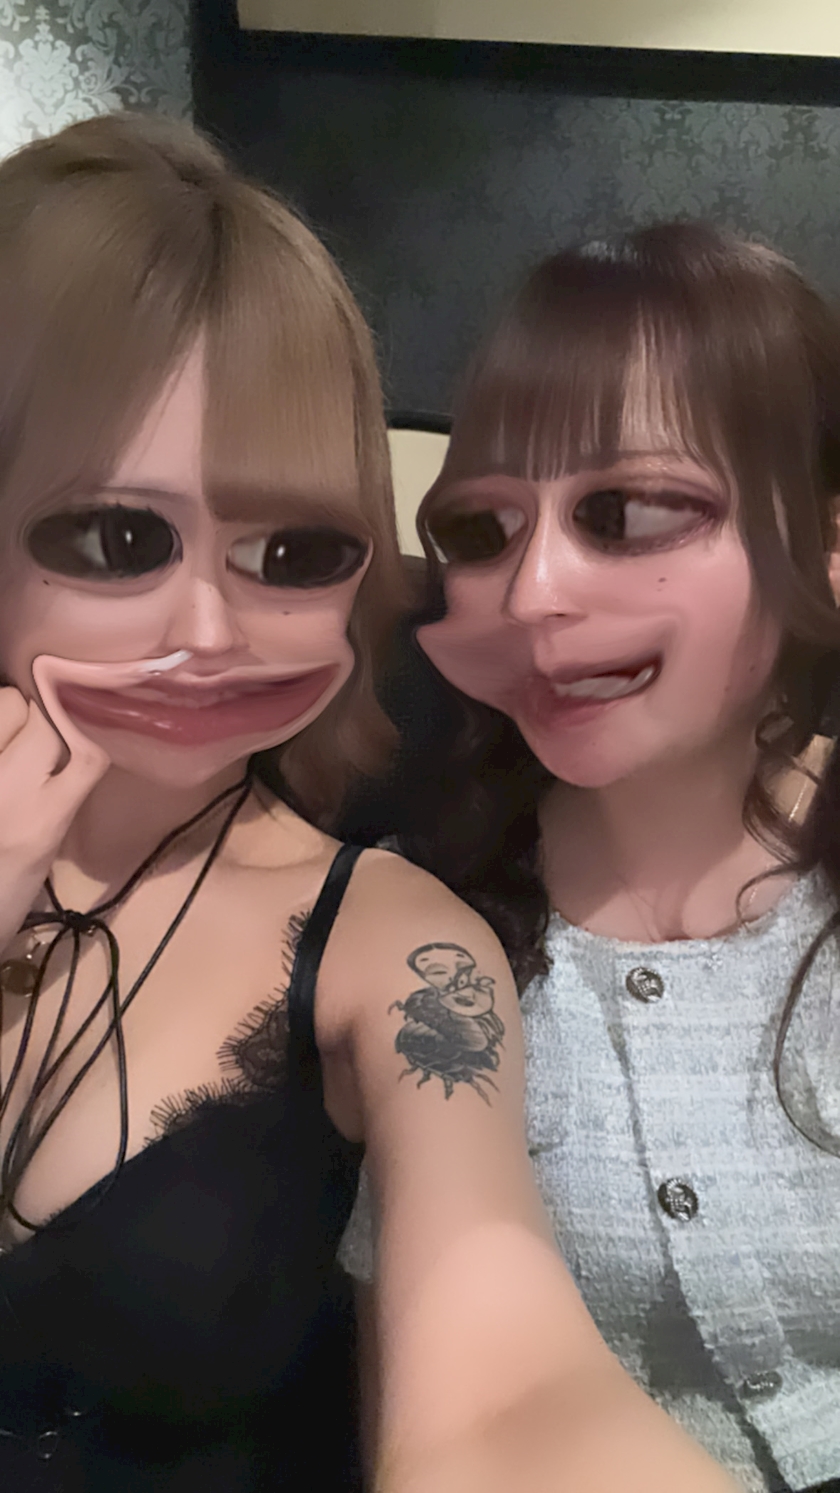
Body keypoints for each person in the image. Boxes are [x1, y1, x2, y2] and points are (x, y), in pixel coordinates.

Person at [0, 119, 741, 1493]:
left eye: (294, 551)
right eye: (117, 538)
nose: (210, 630)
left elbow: (509, 1386)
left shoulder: (395, 942)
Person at [339, 224, 840, 1493]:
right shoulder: (421, 928)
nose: (529, 594)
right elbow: (426, 1407)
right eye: (481, 528)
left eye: (626, 512)